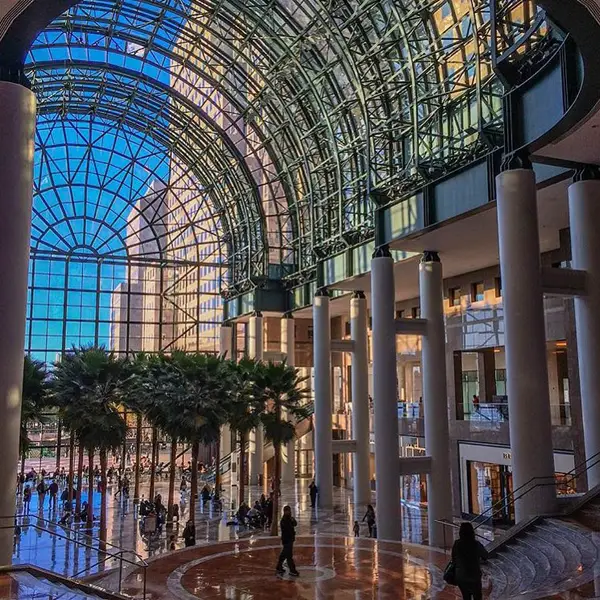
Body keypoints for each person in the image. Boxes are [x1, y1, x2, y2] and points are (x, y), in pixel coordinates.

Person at [451, 522, 488, 600]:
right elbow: (485, 555)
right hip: (474, 575)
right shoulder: (476, 544)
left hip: (461, 575)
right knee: (477, 596)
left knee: (466, 596)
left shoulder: (457, 544)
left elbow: (453, 558)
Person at [276, 505, 299, 576]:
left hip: (290, 539)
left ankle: (279, 567)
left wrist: (292, 520)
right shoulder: (284, 520)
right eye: (287, 511)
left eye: (289, 511)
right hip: (287, 540)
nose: (288, 512)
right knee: (289, 556)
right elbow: (288, 529)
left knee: (284, 554)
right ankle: (292, 570)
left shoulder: (290, 518)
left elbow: (295, 524)